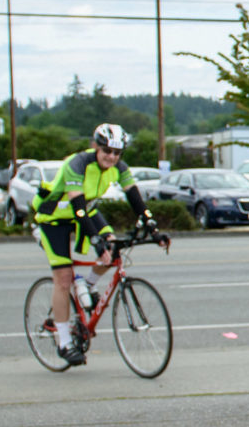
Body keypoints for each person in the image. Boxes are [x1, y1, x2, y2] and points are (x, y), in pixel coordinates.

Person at [32, 123, 165, 367]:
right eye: (107, 151)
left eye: (117, 153)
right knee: (63, 278)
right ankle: (63, 342)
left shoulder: (119, 168)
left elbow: (135, 198)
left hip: (86, 211)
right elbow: (77, 207)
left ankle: (88, 286)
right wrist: (96, 241)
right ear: (96, 147)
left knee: (113, 248)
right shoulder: (78, 164)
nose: (112, 157)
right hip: (55, 218)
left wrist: (152, 227)